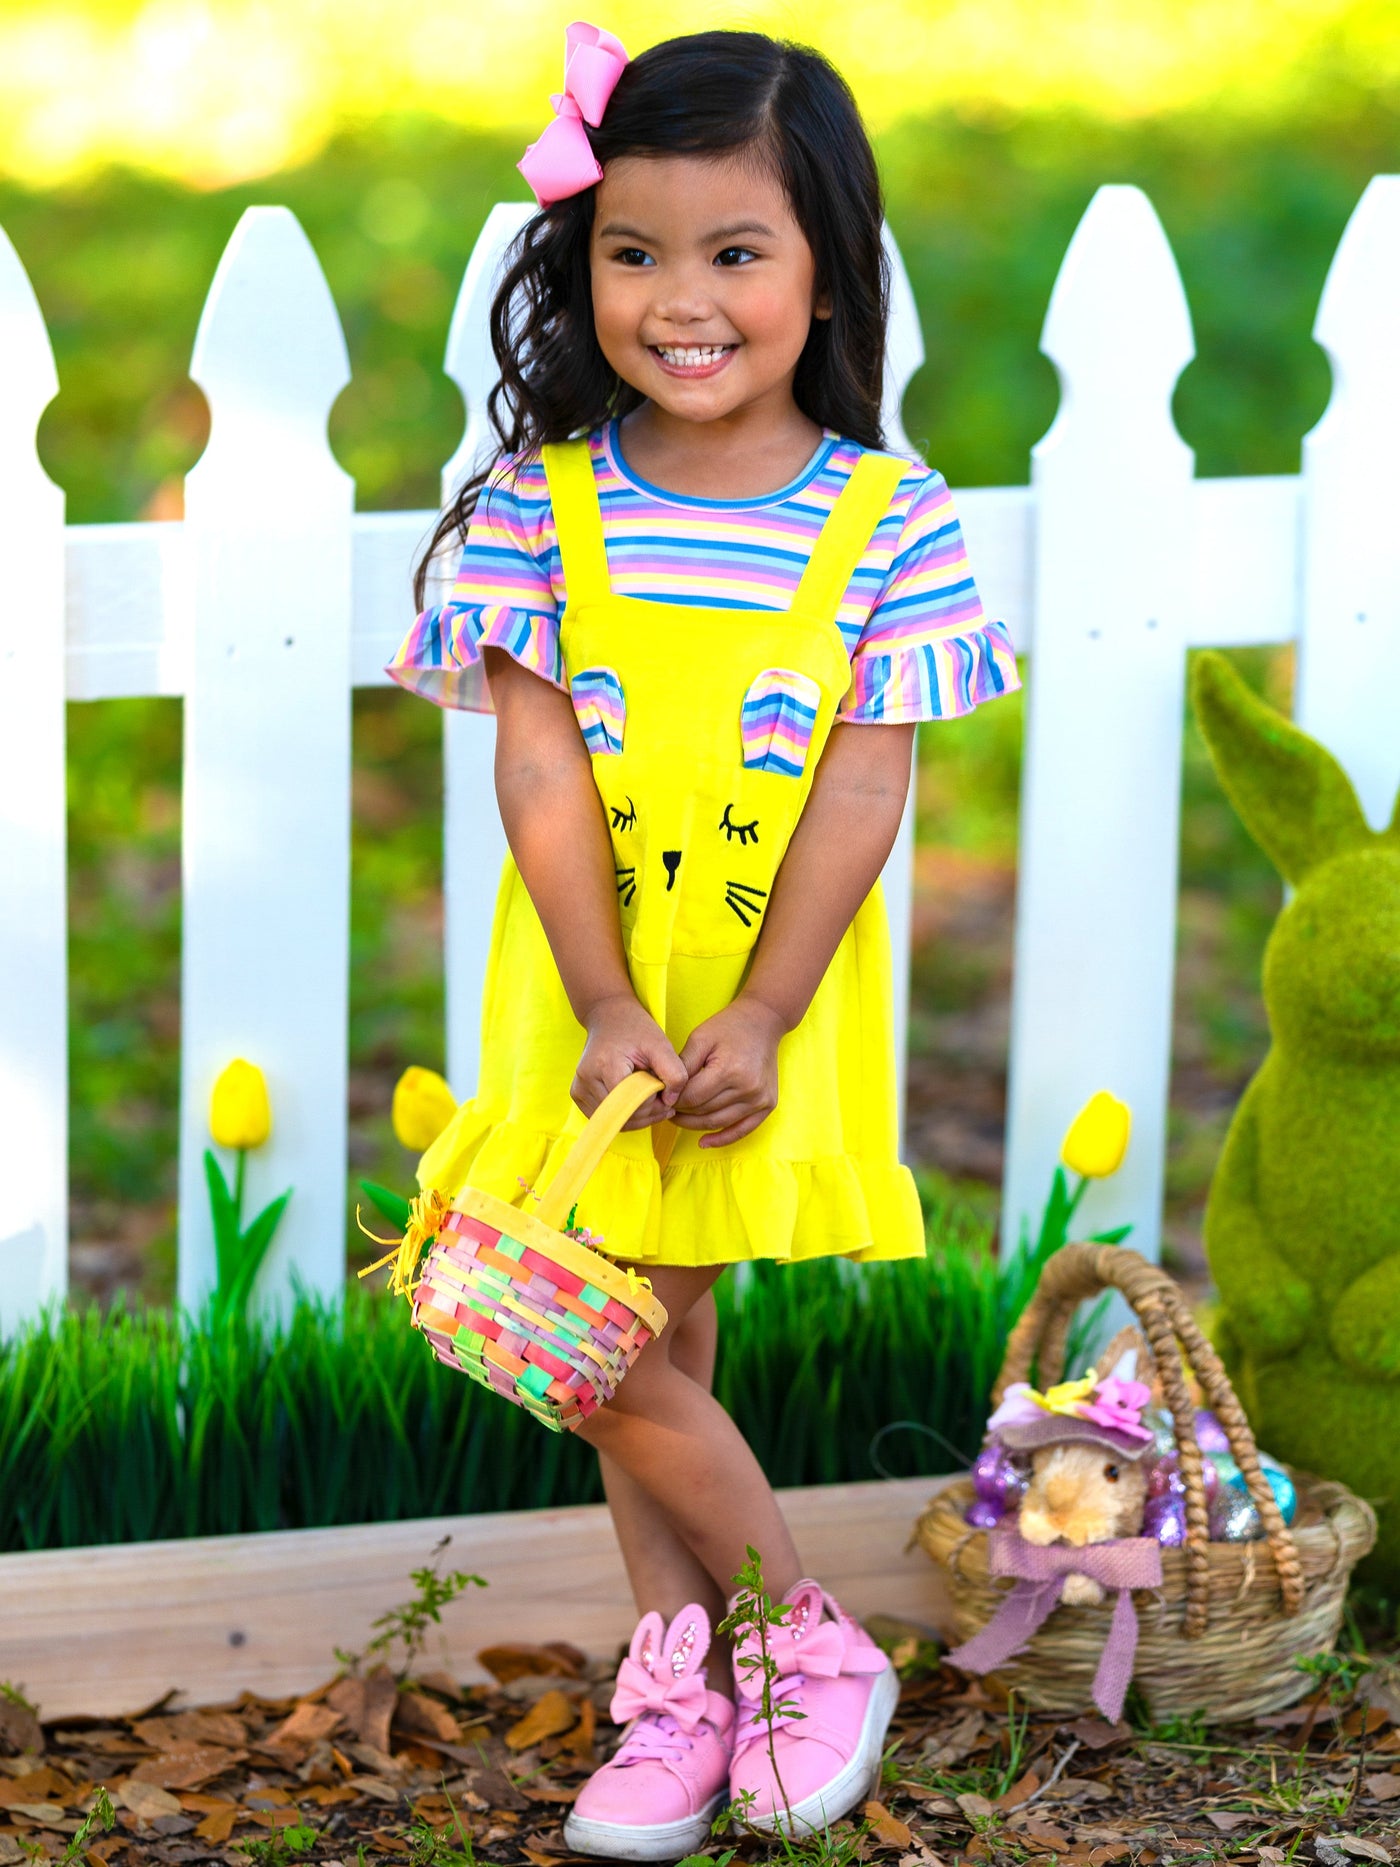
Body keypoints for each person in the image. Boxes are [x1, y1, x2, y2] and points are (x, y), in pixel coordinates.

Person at [387, 23, 1019, 1855]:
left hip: (757, 1000)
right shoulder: (544, 504)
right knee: (606, 1344)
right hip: (586, 1006)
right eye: (633, 251)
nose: (681, 299)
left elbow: (865, 786)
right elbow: (537, 769)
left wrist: (764, 1006)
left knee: (634, 1345)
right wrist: (601, 996)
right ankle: (761, 1657)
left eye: (735, 251)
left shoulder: (890, 521)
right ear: (579, 263)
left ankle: (721, 1668)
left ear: (827, 268)